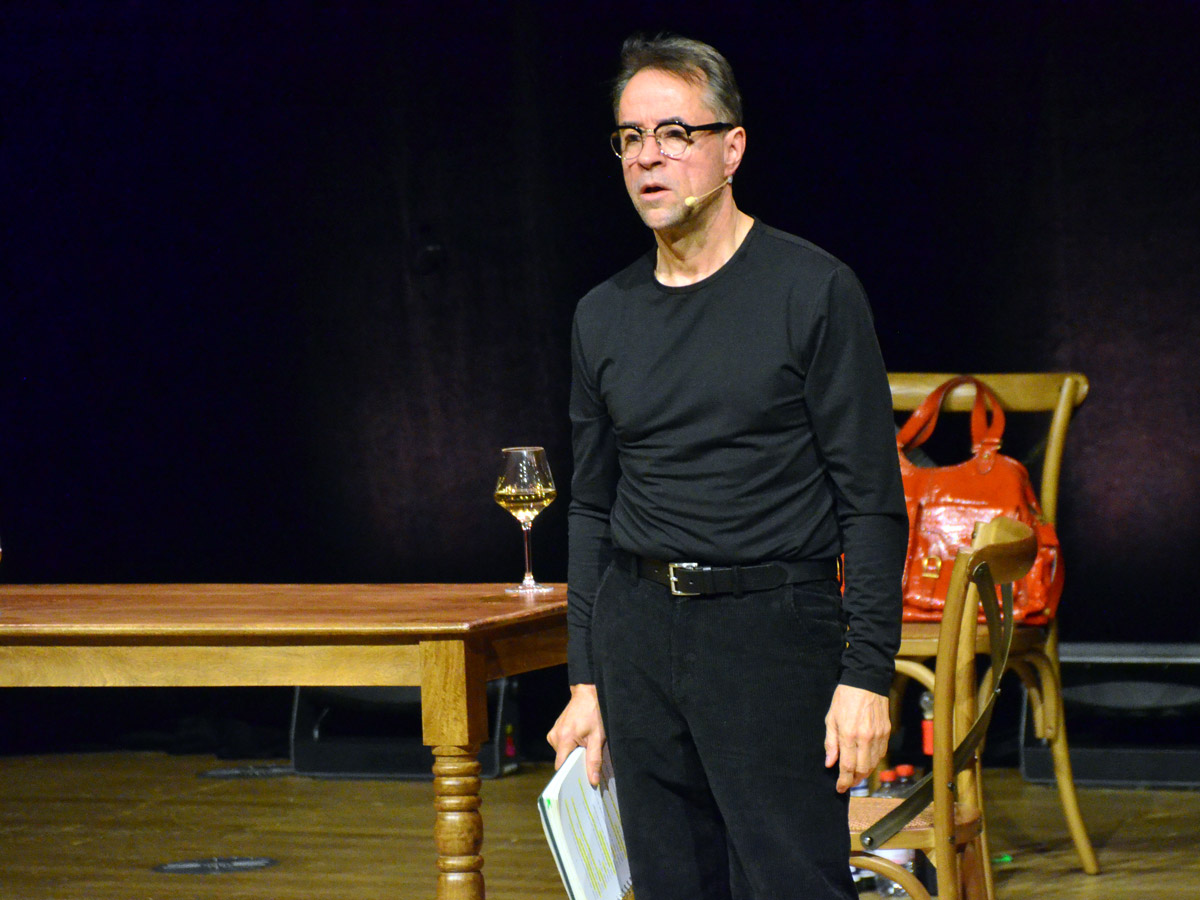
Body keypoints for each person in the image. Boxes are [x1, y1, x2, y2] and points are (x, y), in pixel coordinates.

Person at [547, 33, 907, 900]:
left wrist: (866, 675)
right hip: (639, 635)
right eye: (630, 137)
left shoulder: (811, 290)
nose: (648, 157)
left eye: (675, 133)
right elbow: (592, 507)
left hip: (770, 633)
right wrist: (586, 678)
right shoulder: (602, 314)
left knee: (790, 883)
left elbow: (870, 501)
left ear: (732, 147)